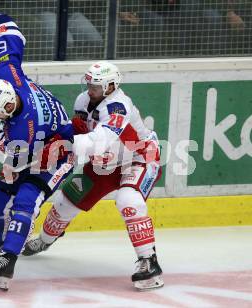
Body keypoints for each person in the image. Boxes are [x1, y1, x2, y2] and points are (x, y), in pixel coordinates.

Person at [22, 61, 164, 291]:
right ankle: (45, 241)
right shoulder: (83, 101)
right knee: (64, 204)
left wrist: (63, 145)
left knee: (129, 202)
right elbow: (78, 130)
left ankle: (150, 263)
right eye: (89, 84)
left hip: (139, 157)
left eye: (96, 86)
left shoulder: (119, 107)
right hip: (104, 164)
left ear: (110, 87)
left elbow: (98, 142)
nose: (90, 89)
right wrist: (53, 141)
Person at [0, 11, 74, 291]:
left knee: (26, 200)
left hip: (57, 154)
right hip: (29, 147)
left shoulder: (24, 128)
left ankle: (7, 260)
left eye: (0, 116)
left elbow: (16, 156)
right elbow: (12, 37)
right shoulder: (6, 76)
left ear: (8, 108)